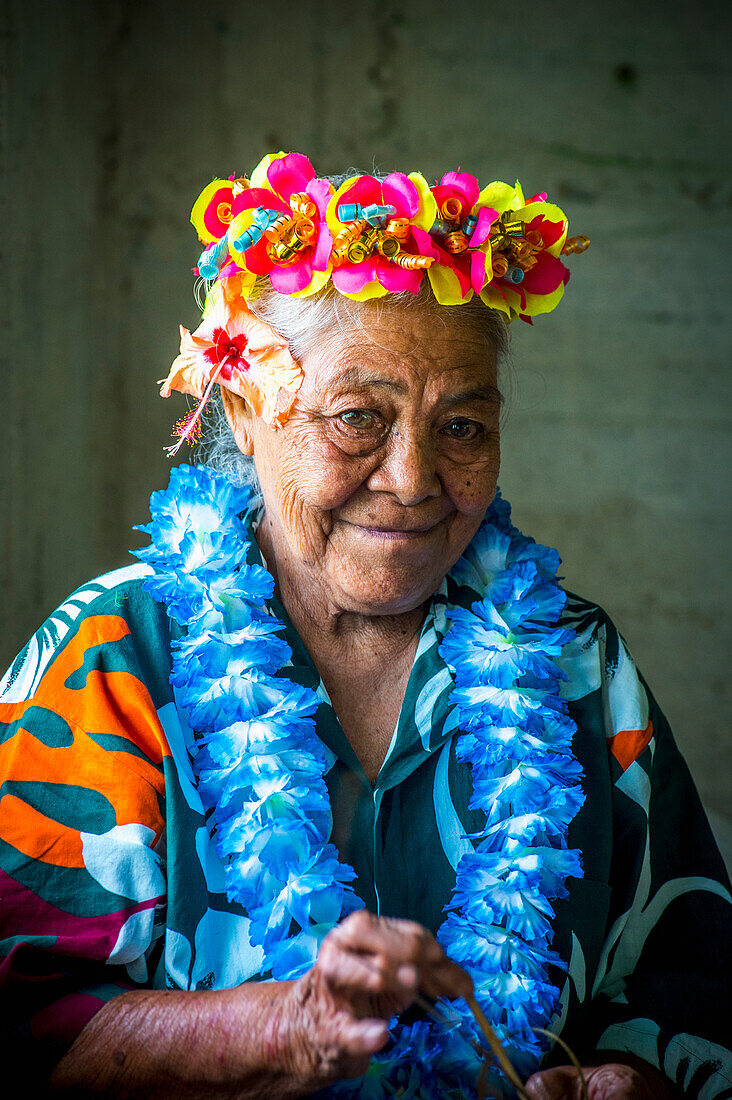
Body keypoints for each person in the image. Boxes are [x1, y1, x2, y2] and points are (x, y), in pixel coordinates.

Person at [0, 152, 729, 1100]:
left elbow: (696, 988)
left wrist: (630, 1081)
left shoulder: (581, 665)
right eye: (358, 419)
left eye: (462, 427)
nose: (414, 480)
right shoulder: (107, 659)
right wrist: (286, 1030)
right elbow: (22, 1024)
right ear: (244, 406)